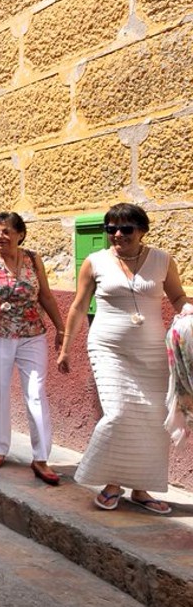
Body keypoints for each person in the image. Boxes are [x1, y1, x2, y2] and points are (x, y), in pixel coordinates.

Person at [58, 203, 193, 514]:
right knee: (118, 413)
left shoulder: (162, 260)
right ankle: (111, 483)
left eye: (126, 229)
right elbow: (78, 306)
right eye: (111, 229)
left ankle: (141, 489)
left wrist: (186, 310)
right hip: (108, 348)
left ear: (142, 230)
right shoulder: (95, 262)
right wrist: (66, 347)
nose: (118, 235)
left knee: (149, 420)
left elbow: (177, 297)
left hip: (152, 351)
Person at [0, 213, 65, 485]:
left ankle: (41, 457)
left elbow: (44, 294)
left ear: (20, 234)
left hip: (32, 335)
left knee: (36, 392)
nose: (0, 236)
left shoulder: (33, 260)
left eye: (6, 231)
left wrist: (60, 327)